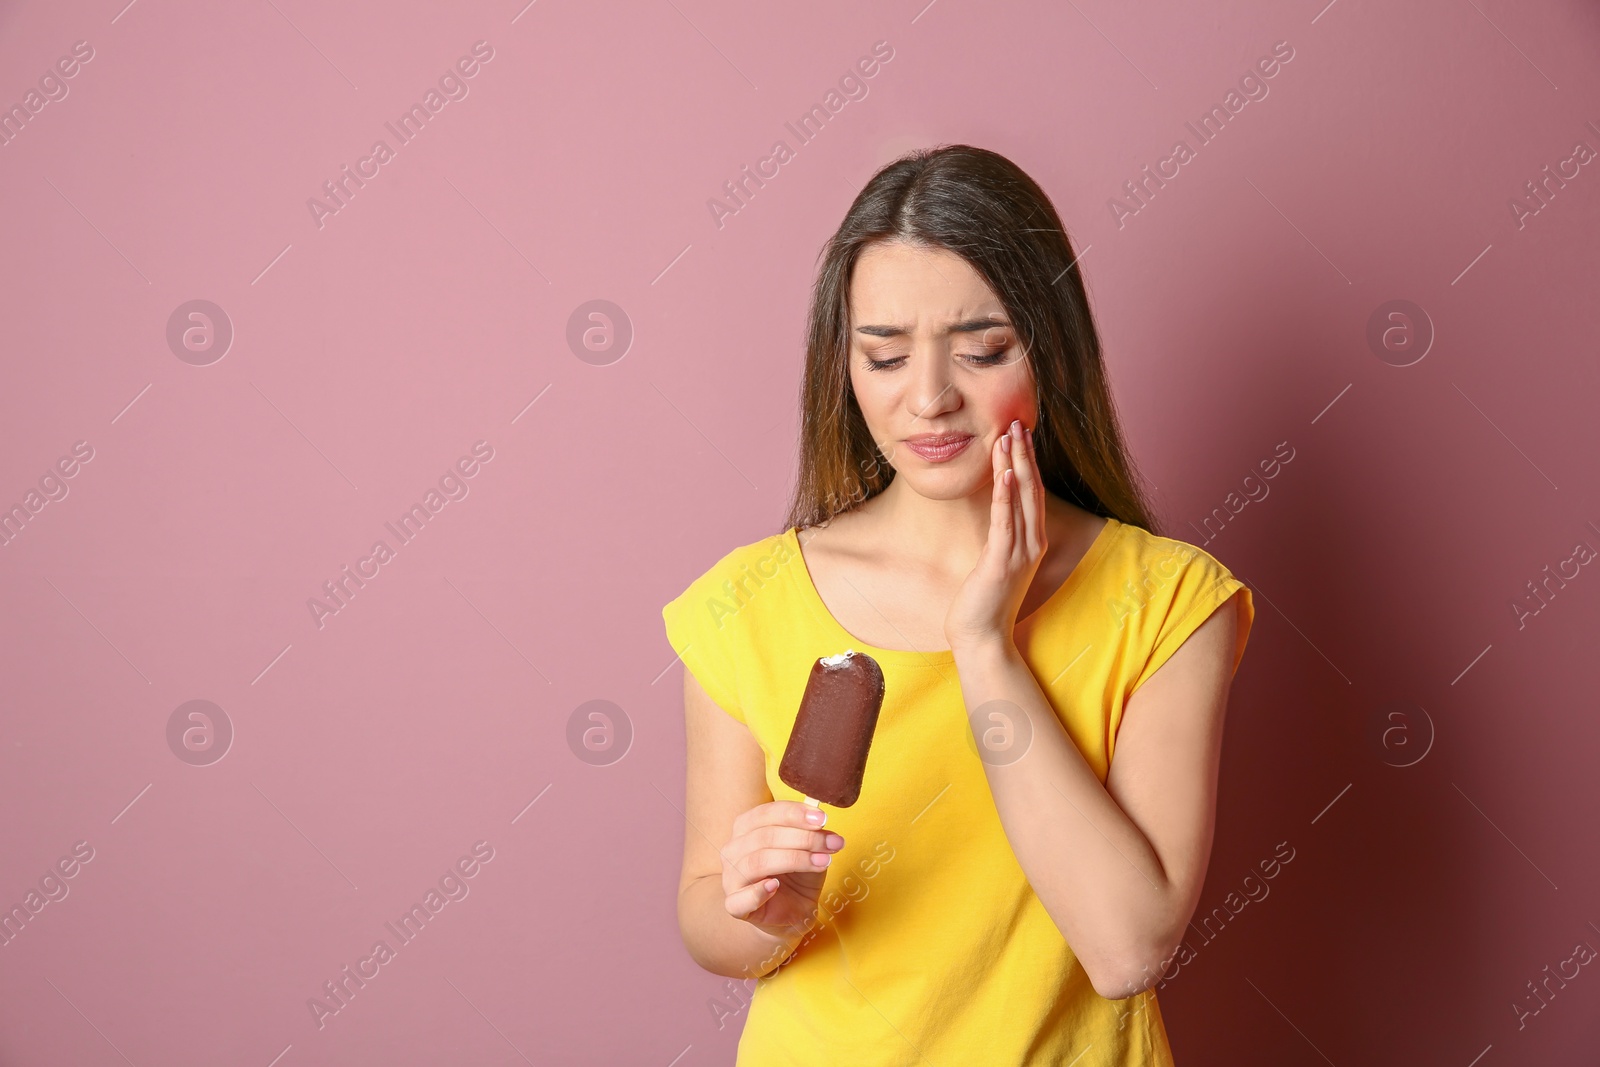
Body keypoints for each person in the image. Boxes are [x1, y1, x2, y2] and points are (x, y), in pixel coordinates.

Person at [661, 144, 1255, 1065]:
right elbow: (708, 916)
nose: (930, 399)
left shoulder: (1169, 602)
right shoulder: (747, 604)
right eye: (886, 356)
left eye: (982, 350)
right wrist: (764, 914)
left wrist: (985, 645)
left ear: (1050, 350)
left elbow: (1130, 945)